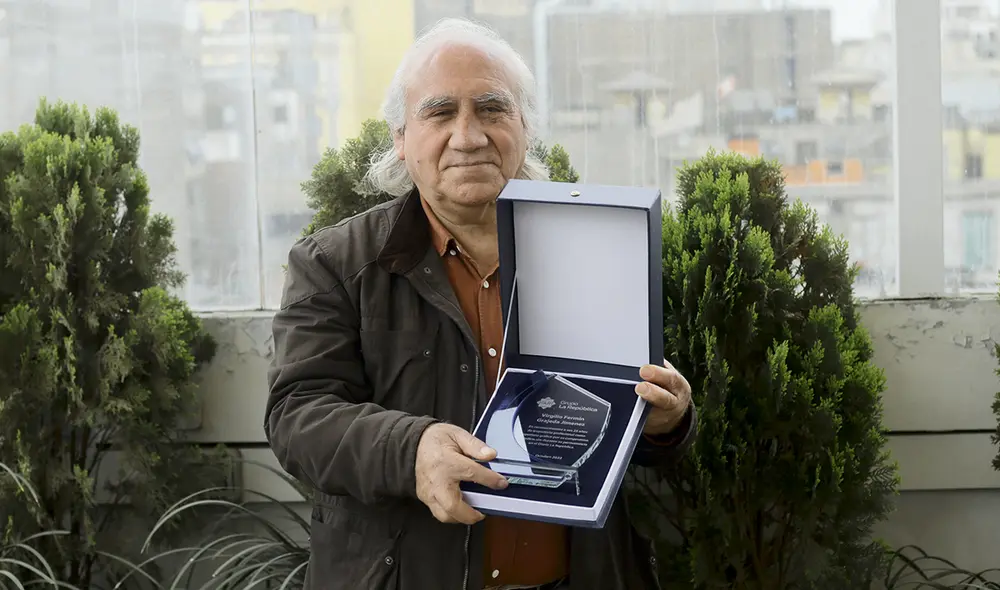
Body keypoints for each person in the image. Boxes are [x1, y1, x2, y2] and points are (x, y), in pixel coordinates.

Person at [265, 17, 696, 590]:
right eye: (440, 113)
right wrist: (411, 449)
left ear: (524, 127)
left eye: (492, 109)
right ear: (399, 137)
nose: (468, 136)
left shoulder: (594, 249)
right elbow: (297, 416)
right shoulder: (334, 265)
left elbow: (616, 424)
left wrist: (665, 421)